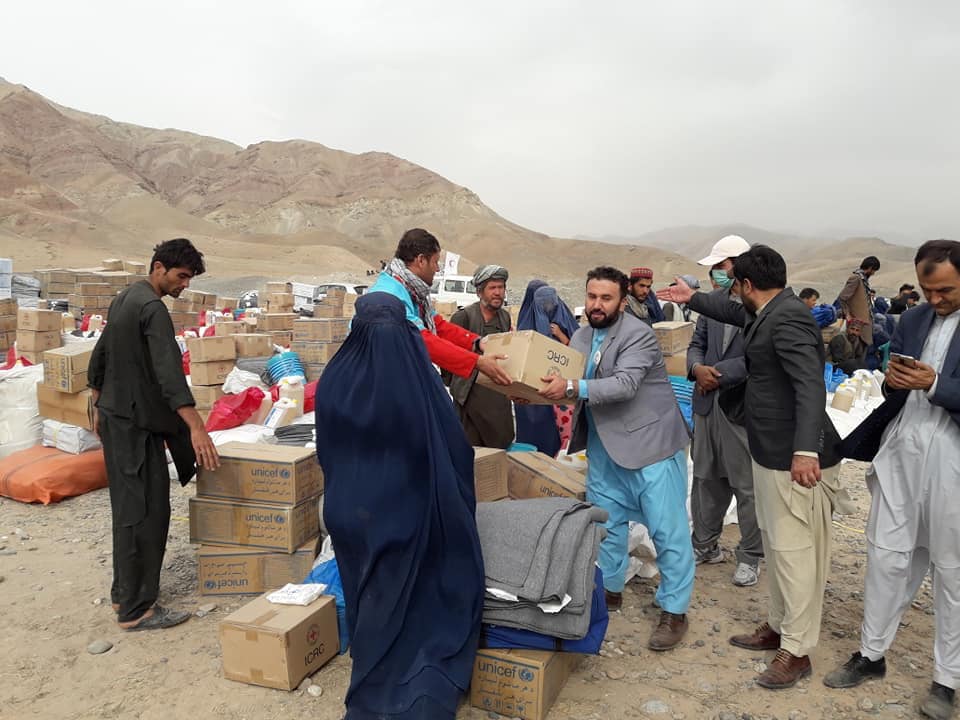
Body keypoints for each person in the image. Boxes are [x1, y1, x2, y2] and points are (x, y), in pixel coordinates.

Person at [658, 245, 844, 689]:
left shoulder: (790, 317)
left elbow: (809, 385)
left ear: (745, 284)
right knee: (780, 548)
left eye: (732, 283)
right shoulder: (769, 310)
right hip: (771, 451)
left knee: (797, 554)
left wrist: (805, 451)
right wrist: (692, 298)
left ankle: (797, 652)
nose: (730, 292)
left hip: (795, 458)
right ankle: (779, 628)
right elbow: (726, 311)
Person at [314, 292, 484, 720]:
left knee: (368, 595)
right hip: (406, 513)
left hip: (351, 514)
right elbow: (454, 452)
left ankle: (370, 673)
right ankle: (411, 683)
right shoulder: (418, 382)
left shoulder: (336, 377)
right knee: (416, 598)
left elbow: (326, 450)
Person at [824, 239, 960, 720]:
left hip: (952, 454)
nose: (934, 299)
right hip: (902, 445)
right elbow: (886, 373)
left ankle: (946, 680)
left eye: (943, 289)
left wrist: (937, 385)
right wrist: (891, 379)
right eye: (927, 289)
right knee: (886, 554)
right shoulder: (913, 319)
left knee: (951, 569)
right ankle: (871, 653)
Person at [540, 266, 693, 651]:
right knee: (607, 527)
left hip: (650, 447)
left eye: (606, 298)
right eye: (592, 296)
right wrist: (537, 391)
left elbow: (624, 384)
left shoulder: (638, 335)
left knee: (666, 531)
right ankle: (608, 592)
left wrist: (572, 386)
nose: (596, 305)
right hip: (605, 448)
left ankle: (674, 610)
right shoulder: (580, 335)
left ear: (622, 301)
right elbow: (566, 382)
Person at [87, 238, 220, 631]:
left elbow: (102, 352)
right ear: (159, 267)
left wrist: (97, 397)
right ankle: (137, 609)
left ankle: (122, 595)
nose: (185, 286)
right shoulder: (152, 309)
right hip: (135, 426)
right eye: (181, 276)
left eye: (189, 279)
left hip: (118, 417)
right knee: (146, 513)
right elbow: (168, 374)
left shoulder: (125, 297)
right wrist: (196, 427)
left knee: (128, 510)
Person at [686, 234, 763, 587]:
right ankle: (704, 544)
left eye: (720, 266)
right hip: (706, 403)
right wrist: (696, 369)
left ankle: (750, 555)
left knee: (746, 486)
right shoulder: (711, 303)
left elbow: (759, 358)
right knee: (705, 478)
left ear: (739, 265)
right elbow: (697, 344)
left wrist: (718, 375)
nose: (715, 273)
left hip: (740, 407)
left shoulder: (762, 307)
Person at [367, 228, 512, 387]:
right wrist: (477, 362)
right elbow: (421, 340)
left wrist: (476, 342)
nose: (437, 269)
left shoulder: (412, 291)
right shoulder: (391, 296)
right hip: (380, 378)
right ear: (421, 260)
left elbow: (438, 325)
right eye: (435, 262)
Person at [447, 265, 514, 448]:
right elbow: (448, 359)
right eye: (492, 288)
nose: (498, 293)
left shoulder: (504, 318)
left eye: (501, 287)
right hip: (469, 399)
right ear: (479, 292)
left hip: (497, 397)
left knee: (499, 447)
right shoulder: (463, 318)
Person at [514, 280, 579, 457]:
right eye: (543, 304)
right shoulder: (527, 325)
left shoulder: (565, 320)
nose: (548, 308)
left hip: (560, 393)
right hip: (532, 393)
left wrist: (560, 336)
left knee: (558, 439)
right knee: (533, 436)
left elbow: (579, 353)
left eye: (551, 303)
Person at [837, 255, 881, 345]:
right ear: (870, 268)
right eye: (873, 271)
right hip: (857, 325)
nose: (873, 273)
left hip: (864, 324)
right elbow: (842, 297)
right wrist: (848, 314)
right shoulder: (856, 278)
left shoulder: (863, 279)